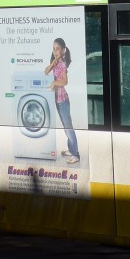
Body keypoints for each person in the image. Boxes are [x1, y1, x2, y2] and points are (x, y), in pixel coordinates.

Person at [45, 37, 80, 165]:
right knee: (66, 127)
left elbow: (65, 82)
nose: (55, 51)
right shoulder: (55, 63)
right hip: (57, 100)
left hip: (63, 100)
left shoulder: (63, 64)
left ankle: (75, 154)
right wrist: (53, 63)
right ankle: (71, 149)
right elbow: (46, 71)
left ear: (63, 50)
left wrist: (54, 82)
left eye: (58, 49)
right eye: (54, 49)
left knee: (68, 127)